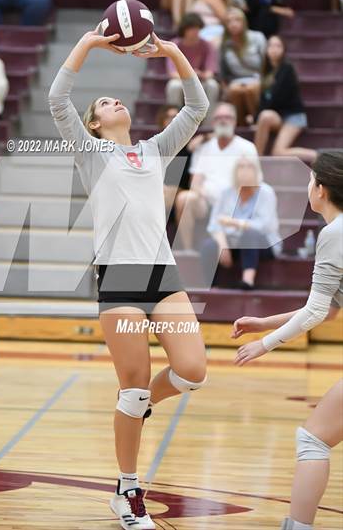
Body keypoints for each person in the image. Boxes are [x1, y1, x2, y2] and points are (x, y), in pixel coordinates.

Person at [48, 28, 209, 530]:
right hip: (118, 281)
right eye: (105, 102)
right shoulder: (92, 153)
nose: (115, 100)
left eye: (116, 97)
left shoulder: (156, 149)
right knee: (134, 386)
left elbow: (197, 106)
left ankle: (132, 409)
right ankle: (127, 490)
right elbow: (58, 98)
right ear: (95, 124)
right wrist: (90, 43)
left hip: (163, 277)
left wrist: (170, 50)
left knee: (192, 371)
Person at [233, 150, 343, 530]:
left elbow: (315, 313)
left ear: (322, 190)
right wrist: (264, 322)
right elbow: (328, 309)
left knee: (312, 441)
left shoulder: (333, 233)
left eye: (311, 181)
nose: (308, 187)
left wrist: (264, 345)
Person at [175, 102, 259, 250]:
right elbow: (195, 182)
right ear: (213, 122)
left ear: (234, 121)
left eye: (227, 117)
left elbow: (254, 183)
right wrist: (201, 193)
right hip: (206, 201)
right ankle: (187, 250)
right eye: (219, 117)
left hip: (235, 201)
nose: (223, 120)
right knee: (184, 198)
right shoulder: (204, 148)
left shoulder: (247, 147)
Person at [200, 156, 281, 289]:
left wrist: (236, 223)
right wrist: (222, 244)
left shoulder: (266, 192)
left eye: (249, 167)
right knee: (208, 246)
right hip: (233, 242)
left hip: (263, 244)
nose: (245, 171)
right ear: (234, 171)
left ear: (256, 171)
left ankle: (247, 280)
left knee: (249, 234)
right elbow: (215, 224)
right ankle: (212, 286)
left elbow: (265, 225)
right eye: (241, 167)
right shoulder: (225, 192)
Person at [254, 35, 316, 163]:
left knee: (278, 152)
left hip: (294, 116)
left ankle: (319, 157)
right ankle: (256, 159)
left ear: (283, 50)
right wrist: (256, 118)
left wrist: (257, 117)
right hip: (280, 116)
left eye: (278, 46)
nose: (274, 49)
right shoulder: (267, 71)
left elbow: (276, 98)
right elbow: (263, 100)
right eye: (271, 45)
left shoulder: (287, 69)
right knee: (265, 116)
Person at [165, 12, 219, 124]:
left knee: (212, 85)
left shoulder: (207, 45)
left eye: (197, 28)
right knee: (173, 86)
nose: (195, 32)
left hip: (200, 80)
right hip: (181, 80)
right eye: (191, 29)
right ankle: (173, 123)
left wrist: (200, 74)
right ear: (184, 29)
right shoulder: (175, 45)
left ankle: (208, 124)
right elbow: (172, 73)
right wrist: (190, 75)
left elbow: (210, 72)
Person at [220, 7, 266, 126]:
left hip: (257, 78)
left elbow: (267, 64)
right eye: (229, 21)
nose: (233, 24)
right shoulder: (225, 44)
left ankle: (256, 122)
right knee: (235, 90)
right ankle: (240, 124)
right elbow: (222, 72)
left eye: (237, 20)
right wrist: (225, 88)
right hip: (235, 80)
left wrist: (263, 81)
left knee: (250, 89)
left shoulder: (257, 37)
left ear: (244, 22)